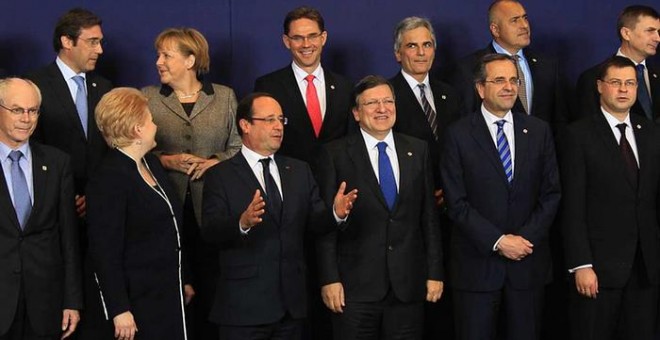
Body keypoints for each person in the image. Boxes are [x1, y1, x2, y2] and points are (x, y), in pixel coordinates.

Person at [201, 92, 356, 340]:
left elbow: (316, 222)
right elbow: (210, 231)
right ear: (245, 125)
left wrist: (335, 214)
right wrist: (242, 223)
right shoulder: (221, 175)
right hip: (243, 310)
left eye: (281, 120)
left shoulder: (298, 170)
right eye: (269, 119)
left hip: (290, 307)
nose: (277, 127)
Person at [440, 54, 560, 340]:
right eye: (499, 80)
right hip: (476, 268)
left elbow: (551, 193)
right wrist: (498, 241)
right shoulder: (457, 134)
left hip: (527, 266)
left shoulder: (539, 130)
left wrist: (524, 240)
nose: (509, 87)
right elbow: (456, 202)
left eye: (513, 80)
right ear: (480, 88)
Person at [315, 75, 444, 339]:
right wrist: (329, 278)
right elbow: (323, 226)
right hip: (354, 289)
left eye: (387, 101)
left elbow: (428, 219)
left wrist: (434, 272)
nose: (382, 108)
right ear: (356, 113)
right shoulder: (334, 154)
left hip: (407, 288)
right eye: (372, 103)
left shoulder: (417, 151)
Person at [141, 27, 241, 340]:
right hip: (167, 209)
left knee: (213, 288)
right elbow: (130, 149)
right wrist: (165, 160)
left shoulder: (224, 97)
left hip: (213, 208)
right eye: (158, 55)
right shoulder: (146, 97)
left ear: (190, 60)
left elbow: (239, 145)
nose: (159, 62)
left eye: (166, 55)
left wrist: (215, 162)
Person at [25, 9, 113, 338]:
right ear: (66, 41)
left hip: (98, 210)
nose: (100, 50)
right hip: (51, 213)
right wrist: (67, 197)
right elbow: (30, 148)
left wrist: (95, 196)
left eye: (101, 42)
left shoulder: (104, 86)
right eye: (92, 42)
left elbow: (109, 150)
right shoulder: (34, 84)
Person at [561, 56, 660, 340]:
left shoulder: (652, 133)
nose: (623, 90)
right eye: (615, 83)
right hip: (598, 270)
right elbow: (573, 207)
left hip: (645, 269)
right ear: (600, 87)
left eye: (630, 83)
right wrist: (581, 264)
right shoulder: (578, 135)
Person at [87, 88, 192, 340]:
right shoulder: (109, 177)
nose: (155, 125)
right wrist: (119, 309)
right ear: (136, 129)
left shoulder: (151, 163)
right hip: (136, 302)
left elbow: (172, 227)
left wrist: (183, 277)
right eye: (150, 119)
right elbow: (104, 252)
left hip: (167, 294)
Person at [388, 18, 461, 337]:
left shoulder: (450, 94)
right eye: (412, 45)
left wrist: (451, 190)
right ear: (398, 53)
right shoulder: (385, 95)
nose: (420, 52)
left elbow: (462, 149)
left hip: (453, 211)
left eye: (427, 44)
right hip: (409, 217)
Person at [0, 78, 81, 339]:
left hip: (45, 303)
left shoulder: (57, 163)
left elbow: (68, 238)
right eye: (17, 110)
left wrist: (72, 300)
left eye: (33, 110)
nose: (26, 118)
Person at [253, 6, 353, 165]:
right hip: (289, 182)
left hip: (337, 183)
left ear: (323, 38)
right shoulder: (268, 86)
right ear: (287, 41)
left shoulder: (345, 87)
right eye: (298, 38)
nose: (306, 44)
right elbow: (261, 140)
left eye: (313, 36)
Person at [450, 0, 567, 133]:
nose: (524, 25)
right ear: (495, 29)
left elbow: (560, 121)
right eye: (514, 20)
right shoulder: (469, 68)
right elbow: (466, 124)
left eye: (525, 18)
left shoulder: (547, 65)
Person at [575, 5, 660, 122]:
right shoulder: (593, 77)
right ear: (626, 33)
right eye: (650, 31)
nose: (657, 38)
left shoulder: (657, 75)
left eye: (658, 32)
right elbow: (587, 131)